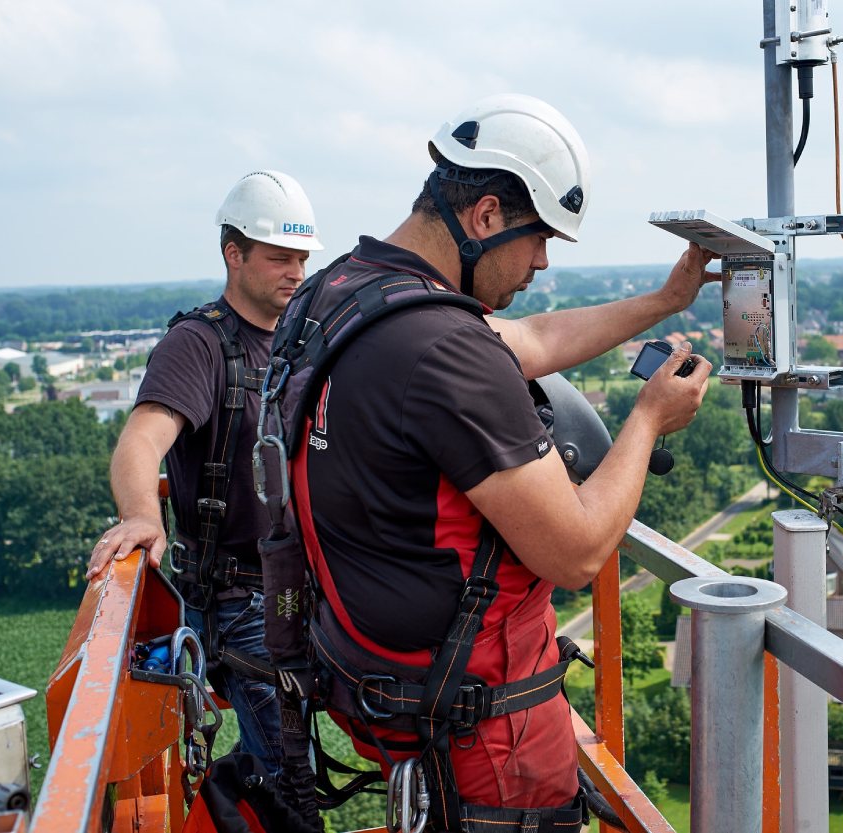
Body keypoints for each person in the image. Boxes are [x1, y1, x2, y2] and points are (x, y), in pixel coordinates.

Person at [295, 94, 714, 828]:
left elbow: (530, 341)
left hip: (387, 691)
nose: (543, 263)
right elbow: (578, 550)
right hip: (485, 739)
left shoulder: (344, 294)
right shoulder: (443, 350)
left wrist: (663, 301)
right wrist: (647, 420)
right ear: (485, 215)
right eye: (538, 239)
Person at [86, 170, 323, 776]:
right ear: (233, 254)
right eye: (279, 258)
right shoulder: (200, 345)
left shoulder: (309, 342)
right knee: (289, 777)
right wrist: (142, 513)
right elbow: (142, 439)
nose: (295, 272)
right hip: (240, 600)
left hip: (313, 588)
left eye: (301, 258)